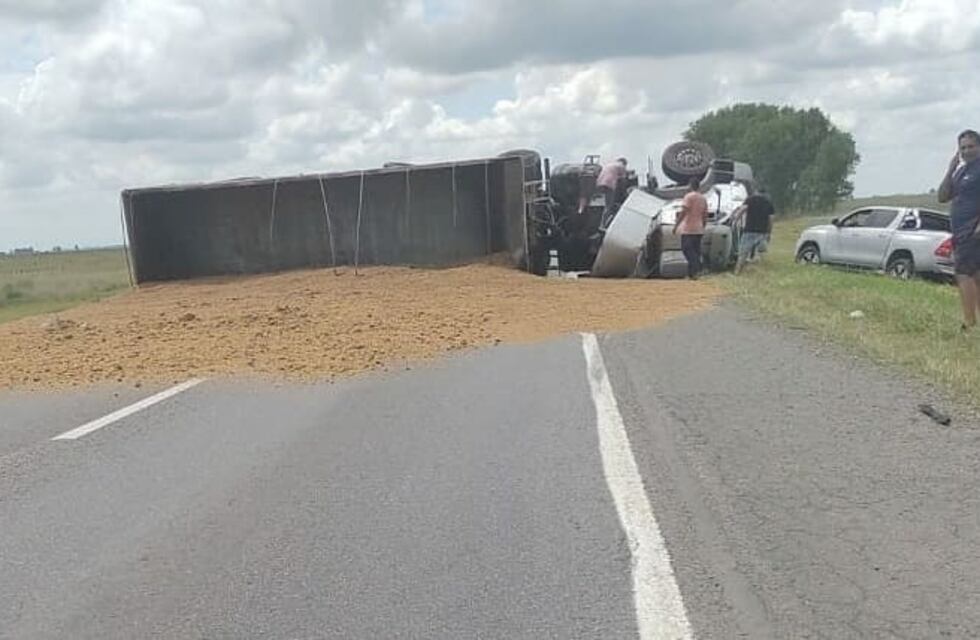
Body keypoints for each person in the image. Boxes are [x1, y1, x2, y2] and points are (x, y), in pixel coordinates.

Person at [938, 129, 980, 331]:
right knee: (976, 276)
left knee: (964, 274)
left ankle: (969, 322)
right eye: (963, 147)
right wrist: (951, 169)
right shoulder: (961, 171)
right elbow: (943, 196)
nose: (967, 151)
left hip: (973, 231)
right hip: (960, 230)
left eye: (971, 146)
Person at [731, 187, 775, 274]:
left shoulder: (750, 199)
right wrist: (769, 233)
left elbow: (742, 210)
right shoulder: (768, 202)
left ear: (756, 191)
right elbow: (771, 220)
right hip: (762, 232)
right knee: (761, 254)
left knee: (743, 253)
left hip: (749, 230)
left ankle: (737, 271)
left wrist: (735, 220)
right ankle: (760, 274)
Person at [672, 176, 708, 279]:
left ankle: (698, 268)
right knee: (695, 251)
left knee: (687, 250)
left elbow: (684, 212)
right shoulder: (703, 198)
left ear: (690, 185)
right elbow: (705, 214)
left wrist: (676, 225)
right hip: (699, 228)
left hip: (688, 228)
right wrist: (703, 225)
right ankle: (692, 274)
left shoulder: (689, 197)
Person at [596, 157, 628, 229]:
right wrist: (625, 194)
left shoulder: (610, 165)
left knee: (607, 203)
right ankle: (602, 225)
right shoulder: (622, 166)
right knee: (608, 206)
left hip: (599, 183)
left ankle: (605, 222)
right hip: (609, 183)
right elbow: (623, 181)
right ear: (624, 163)